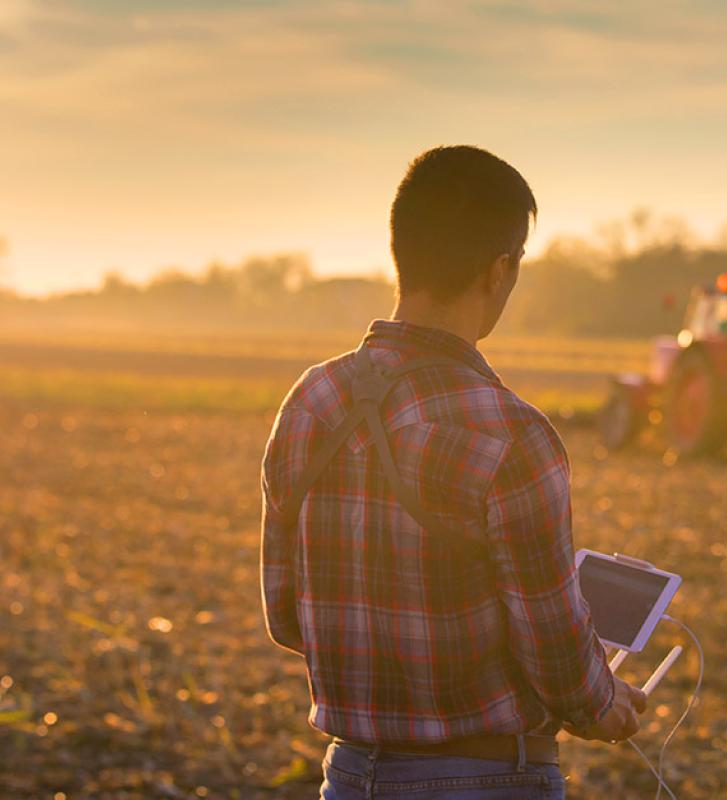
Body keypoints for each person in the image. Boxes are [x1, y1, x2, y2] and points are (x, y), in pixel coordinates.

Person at [260, 145, 647, 799]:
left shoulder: (310, 402)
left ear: (401, 251)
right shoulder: (512, 433)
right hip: (490, 780)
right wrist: (603, 703)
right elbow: (555, 650)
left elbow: (285, 617)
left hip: (349, 775)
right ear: (500, 270)